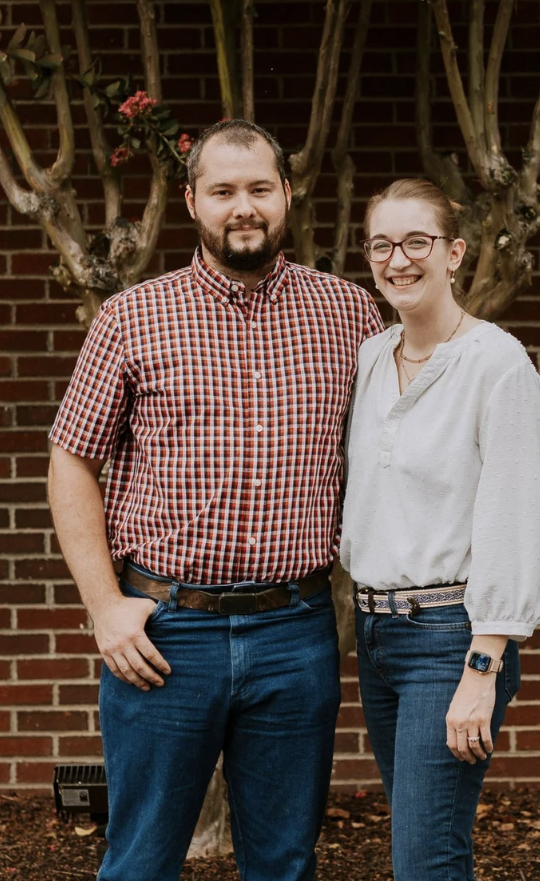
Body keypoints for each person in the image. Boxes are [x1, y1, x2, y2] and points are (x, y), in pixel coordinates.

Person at [48, 119, 384, 882]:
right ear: (193, 200)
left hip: (294, 634)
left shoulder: (349, 316)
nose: (244, 207)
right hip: (166, 634)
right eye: (224, 190)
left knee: (285, 863)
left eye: (260, 188)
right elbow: (72, 459)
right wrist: (105, 606)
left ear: (287, 196)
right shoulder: (131, 317)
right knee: (139, 861)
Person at [339, 178, 540, 882]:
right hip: (376, 637)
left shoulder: (496, 364)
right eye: (381, 245)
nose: (397, 259)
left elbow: (513, 512)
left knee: (425, 861)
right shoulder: (371, 358)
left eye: (416, 242)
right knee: (425, 848)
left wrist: (483, 666)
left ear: (454, 252)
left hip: (450, 638)